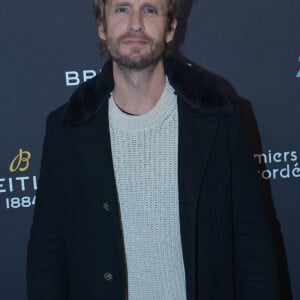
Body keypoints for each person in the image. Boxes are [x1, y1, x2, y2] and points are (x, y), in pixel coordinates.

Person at [27, 0, 280, 299]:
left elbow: (254, 249)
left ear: (171, 27)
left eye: (149, 9)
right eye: (121, 9)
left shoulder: (222, 119)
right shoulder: (66, 130)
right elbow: (47, 259)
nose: (135, 23)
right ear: (101, 26)